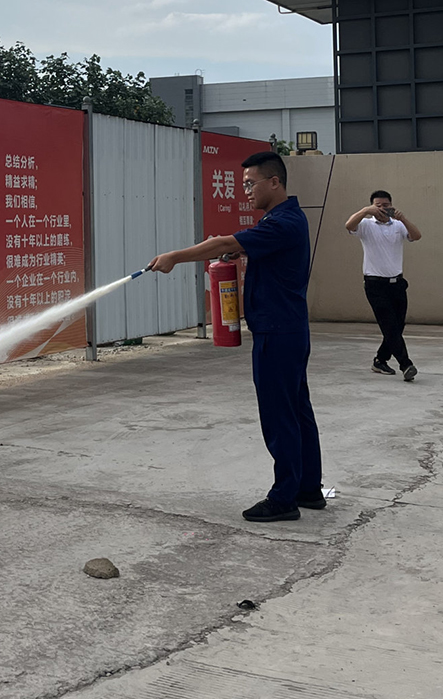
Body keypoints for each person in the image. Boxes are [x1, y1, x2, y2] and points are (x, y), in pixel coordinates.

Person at [147, 151, 323, 524]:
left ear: (274, 182)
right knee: (297, 410)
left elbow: (222, 243)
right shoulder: (283, 219)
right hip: (287, 329)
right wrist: (234, 248)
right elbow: (237, 245)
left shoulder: (283, 223)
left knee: (279, 415)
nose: (246, 191)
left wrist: (174, 256)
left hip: (277, 332)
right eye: (243, 184)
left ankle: (284, 498)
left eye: (250, 183)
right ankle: (308, 488)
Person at [345, 191, 422, 382]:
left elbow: (416, 235)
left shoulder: (398, 225)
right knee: (389, 325)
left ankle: (380, 360)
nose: (382, 208)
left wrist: (403, 219)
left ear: (391, 205)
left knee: (397, 325)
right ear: (372, 206)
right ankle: (406, 364)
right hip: (375, 284)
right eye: (378, 205)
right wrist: (365, 211)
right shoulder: (366, 225)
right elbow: (349, 225)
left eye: (386, 205)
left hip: (397, 283)